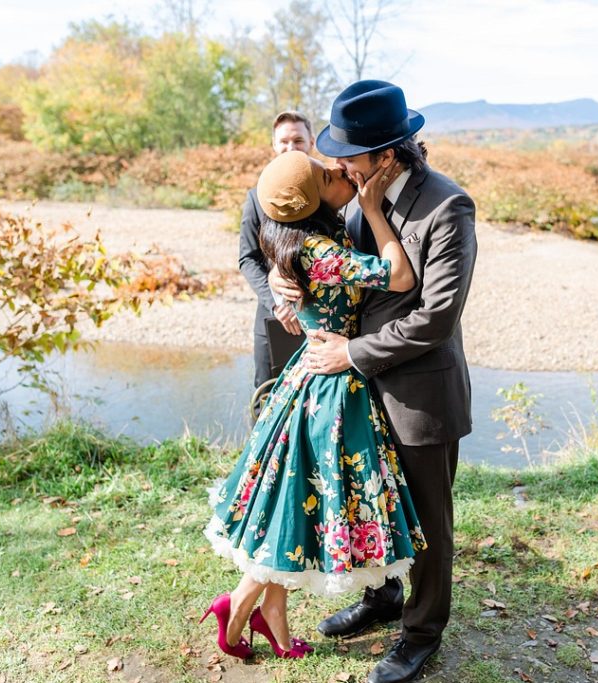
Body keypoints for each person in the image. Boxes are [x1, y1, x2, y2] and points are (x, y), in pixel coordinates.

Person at [271, 80, 477, 683]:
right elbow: (319, 253)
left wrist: (352, 354)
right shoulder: (355, 195)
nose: (337, 164)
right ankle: (381, 597)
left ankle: (420, 634)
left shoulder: (447, 206)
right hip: (356, 393)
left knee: (428, 524)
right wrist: (290, 285)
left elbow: (437, 317)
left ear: (386, 155)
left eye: (349, 155)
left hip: (419, 394)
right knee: (372, 499)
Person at [202, 150, 426, 661]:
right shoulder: (319, 250)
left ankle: (265, 611)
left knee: (291, 500)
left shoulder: (292, 239)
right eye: (328, 175)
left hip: (309, 374)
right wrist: (371, 208)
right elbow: (400, 278)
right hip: (328, 385)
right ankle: (239, 606)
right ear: (311, 201)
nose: (340, 172)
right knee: (300, 499)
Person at [238, 111, 315, 390]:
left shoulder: (330, 192)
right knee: (266, 399)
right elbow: (247, 258)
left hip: (324, 324)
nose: (290, 148)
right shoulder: (256, 196)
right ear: (274, 145)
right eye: (283, 141)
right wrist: (277, 302)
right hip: (274, 320)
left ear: (311, 142)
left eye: (298, 140)